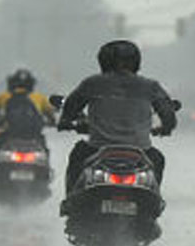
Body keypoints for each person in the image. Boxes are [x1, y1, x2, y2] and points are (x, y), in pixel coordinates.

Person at [57, 40, 176, 200]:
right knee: (158, 159)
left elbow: (71, 107)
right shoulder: (150, 86)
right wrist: (165, 128)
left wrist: (65, 122)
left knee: (77, 155)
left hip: (97, 149)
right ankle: (153, 202)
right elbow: (168, 114)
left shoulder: (92, 83)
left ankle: (70, 202)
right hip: (141, 151)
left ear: (104, 61)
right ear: (136, 62)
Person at [0, 68, 55, 154]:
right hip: (33, 134)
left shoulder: (3, 97)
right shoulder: (40, 98)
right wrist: (52, 123)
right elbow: (50, 115)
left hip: (10, 133)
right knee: (44, 149)